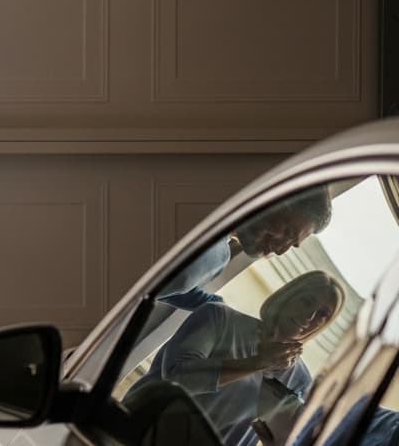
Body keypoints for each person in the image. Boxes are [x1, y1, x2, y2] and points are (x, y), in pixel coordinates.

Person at [127, 270, 345, 446]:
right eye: (306, 302)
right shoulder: (218, 317)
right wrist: (258, 363)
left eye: (323, 314)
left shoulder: (300, 381)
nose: (310, 317)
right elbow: (178, 377)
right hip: (134, 435)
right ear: (288, 295)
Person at [159, 188, 333, 311]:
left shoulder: (219, 252)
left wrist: (218, 308)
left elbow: (168, 286)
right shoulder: (214, 248)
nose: (281, 251)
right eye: (287, 232)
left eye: (292, 245)